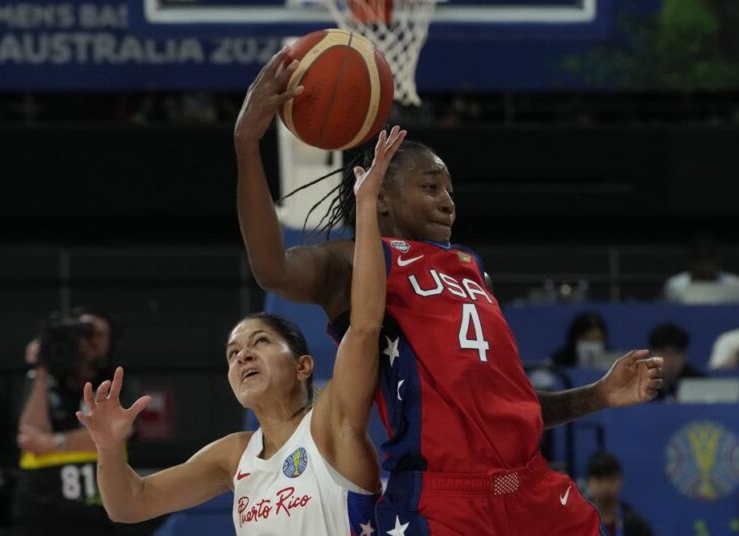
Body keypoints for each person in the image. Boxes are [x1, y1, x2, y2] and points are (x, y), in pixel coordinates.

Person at [235, 49, 664, 535]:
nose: (448, 201)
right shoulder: (356, 258)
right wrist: (248, 144)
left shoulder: (471, 266)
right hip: (442, 500)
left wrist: (598, 395)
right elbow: (270, 267)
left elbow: (508, 407)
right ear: (384, 200)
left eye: (451, 190)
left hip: (533, 490)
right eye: (431, 186)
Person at [76, 127, 406, 535]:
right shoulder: (234, 456)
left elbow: (365, 325)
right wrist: (109, 448)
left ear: (303, 366)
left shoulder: (331, 423)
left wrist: (368, 205)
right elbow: (130, 505)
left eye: (260, 342)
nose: (243, 356)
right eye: (233, 353)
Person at [13, 312, 123, 536]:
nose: (89, 342)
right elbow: (28, 434)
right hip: (40, 506)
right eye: (82, 335)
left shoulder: (115, 379)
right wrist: (41, 370)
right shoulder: (42, 382)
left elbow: (117, 430)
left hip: (97, 508)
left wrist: (52, 443)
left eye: (97, 335)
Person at [585, 451, 654, 536]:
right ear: (588, 482)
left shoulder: (636, 526)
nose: (605, 485)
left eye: (610, 478)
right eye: (599, 479)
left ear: (621, 480)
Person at [663, 235, 739, 303]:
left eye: (708, 261)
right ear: (691, 263)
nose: (703, 266)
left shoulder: (734, 284)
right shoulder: (675, 285)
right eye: (699, 261)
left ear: (717, 262)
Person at [648, 322, 705, 401]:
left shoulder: (697, 382)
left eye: (676, 353)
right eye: (664, 353)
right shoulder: (639, 384)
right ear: (652, 354)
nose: (670, 360)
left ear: (685, 355)